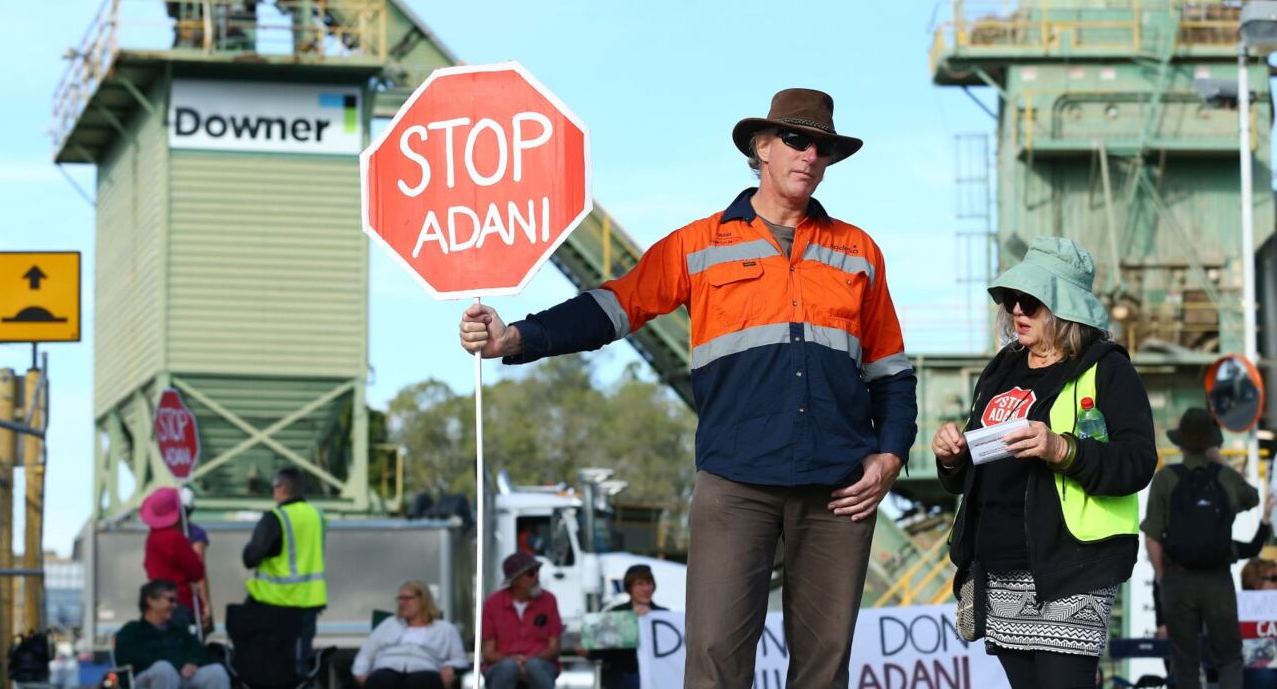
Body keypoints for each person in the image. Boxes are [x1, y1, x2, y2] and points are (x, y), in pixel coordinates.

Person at [460, 88, 918, 688]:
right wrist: (514, 339)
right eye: (796, 140)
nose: (810, 155)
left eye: (823, 147)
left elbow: (892, 374)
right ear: (761, 147)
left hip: (837, 490)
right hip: (736, 483)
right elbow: (613, 308)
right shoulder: (700, 245)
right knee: (713, 664)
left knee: (824, 670)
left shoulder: (858, 251)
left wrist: (889, 457)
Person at [931, 237, 1157, 689]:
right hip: (1001, 567)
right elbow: (972, 473)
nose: (1017, 310)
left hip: (1071, 567)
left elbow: (1137, 462)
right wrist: (953, 458)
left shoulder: (1108, 369)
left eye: (1031, 301)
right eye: (1013, 299)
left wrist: (1062, 450)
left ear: (1062, 307)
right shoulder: (1001, 368)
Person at [1143, 407, 1263, 689]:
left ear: (1181, 443)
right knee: (1229, 657)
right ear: (1211, 441)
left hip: (1177, 579)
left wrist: (1163, 578)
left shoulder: (1165, 479)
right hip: (1218, 579)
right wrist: (1219, 461)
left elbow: (1152, 536)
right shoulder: (1225, 478)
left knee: (1185, 661)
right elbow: (1252, 498)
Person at [241, 466, 327, 675]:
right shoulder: (317, 516)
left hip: (277, 603)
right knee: (300, 665)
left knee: (270, 667)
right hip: (309, 601)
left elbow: (251, 558)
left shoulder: (276, 517)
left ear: (281, 488)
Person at [352, 580, 468, 689]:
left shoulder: (444, 629)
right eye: (400, 599)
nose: (402, 603)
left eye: (407, 598)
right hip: (387, 668)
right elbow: (366, 653)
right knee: (381, 680)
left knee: (421, 682)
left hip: (425, 669)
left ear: (423, 600)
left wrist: (450, 667)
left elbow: (460, 659)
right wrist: (360, 674)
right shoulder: (389, 624)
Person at [114, 579, 229, 689]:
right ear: (151, 601)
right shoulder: (132, 630)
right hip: (145, 681)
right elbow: (127, 663)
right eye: (170, 600)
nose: (175, 605)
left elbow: (199, 652)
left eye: (176, 601)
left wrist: (192, 663)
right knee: (163, 669)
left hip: (179, 678)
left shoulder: (178, 630)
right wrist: (176, 664)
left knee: (216, 672)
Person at [481, 552, 563, 689]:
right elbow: (488, 653)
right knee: (508, 668)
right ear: (515, 580)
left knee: (534, 667)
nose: (537, 576)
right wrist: (513, 662)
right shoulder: (492, 603)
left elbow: (554, 648)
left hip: (540, 665)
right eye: (531, 573)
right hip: (503, 667)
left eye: (538, 570)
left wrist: (528, 661)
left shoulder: (549, 600)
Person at [140, 487, 207, 631]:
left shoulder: (152, 538)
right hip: (178, 603)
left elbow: (147, 565)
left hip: (155, 603)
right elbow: (197, 572)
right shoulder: (176, 539)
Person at [597, 564, 667, 689]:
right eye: (639, 584)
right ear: (629, 587)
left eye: (649, 583)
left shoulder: (664, 614)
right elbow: (601, 650)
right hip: (622, 679)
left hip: (657, 678)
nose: (646, 588)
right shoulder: (615, 614)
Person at [179, 487, 214, 637]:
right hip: (187, 601)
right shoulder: (195, 534)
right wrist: (206, 604)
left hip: (161, 601)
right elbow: (198, 572)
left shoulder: (159, 536)